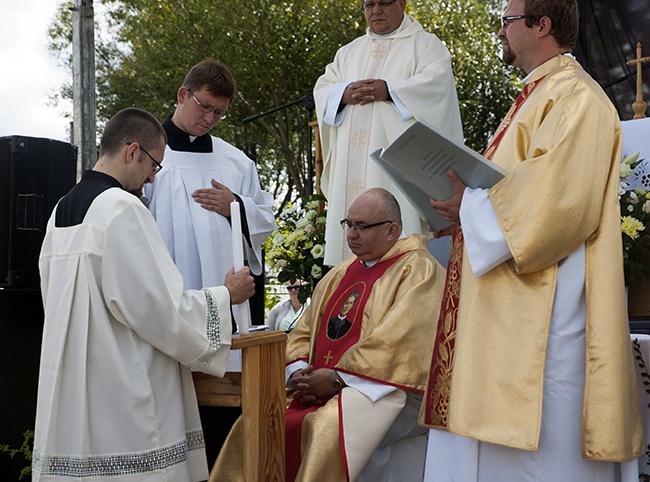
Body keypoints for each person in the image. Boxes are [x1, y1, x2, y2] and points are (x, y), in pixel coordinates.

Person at [421, 1, 645, 480]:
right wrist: (462, 211)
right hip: (509, 314)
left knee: (539, 462)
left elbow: (557, 204)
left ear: (541, 25)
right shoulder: (540, 95)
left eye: (507, 20)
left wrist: (472, 208)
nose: (500, 32)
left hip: (547, 321)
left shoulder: (577, 98)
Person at [32, 107, 256, 482]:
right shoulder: (122, 208)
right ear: (132, 151)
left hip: (71, 380)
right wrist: (224, 296)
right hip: (120, 385)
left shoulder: (61, 210)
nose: (152, 178)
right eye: (154, 165)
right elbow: (160, 309)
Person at [211, 188, 447, 481]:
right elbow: (303, 330)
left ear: (392, 230)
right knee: (256, 423)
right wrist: (299, 372)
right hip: (326, 383)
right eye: (348, 224)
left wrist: (337, 379)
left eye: (362, 226)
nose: (351, 235)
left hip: (386, 388)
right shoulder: (340, 273)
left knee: (326, 428)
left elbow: (399, 344)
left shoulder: (418, 269)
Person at [313, 0, 464, 265]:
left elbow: (437, 88)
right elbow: (323, 89)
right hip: (350, 171)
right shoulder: (348, 53)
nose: (376, 11)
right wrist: (342, 95)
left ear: (402, 4)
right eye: (369, 4)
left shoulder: (426, 45)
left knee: (400, 259)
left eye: (384, 3)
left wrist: (391, 91)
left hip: (394, 171)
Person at [142, 58, 275, 301]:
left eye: (218, 113)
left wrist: (236, 206)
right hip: (164, 292)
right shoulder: (145, 156)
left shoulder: (236, 163)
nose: (209, 119)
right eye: (204, 106)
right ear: (183, 95)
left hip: (224, 293)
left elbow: (265, 222)